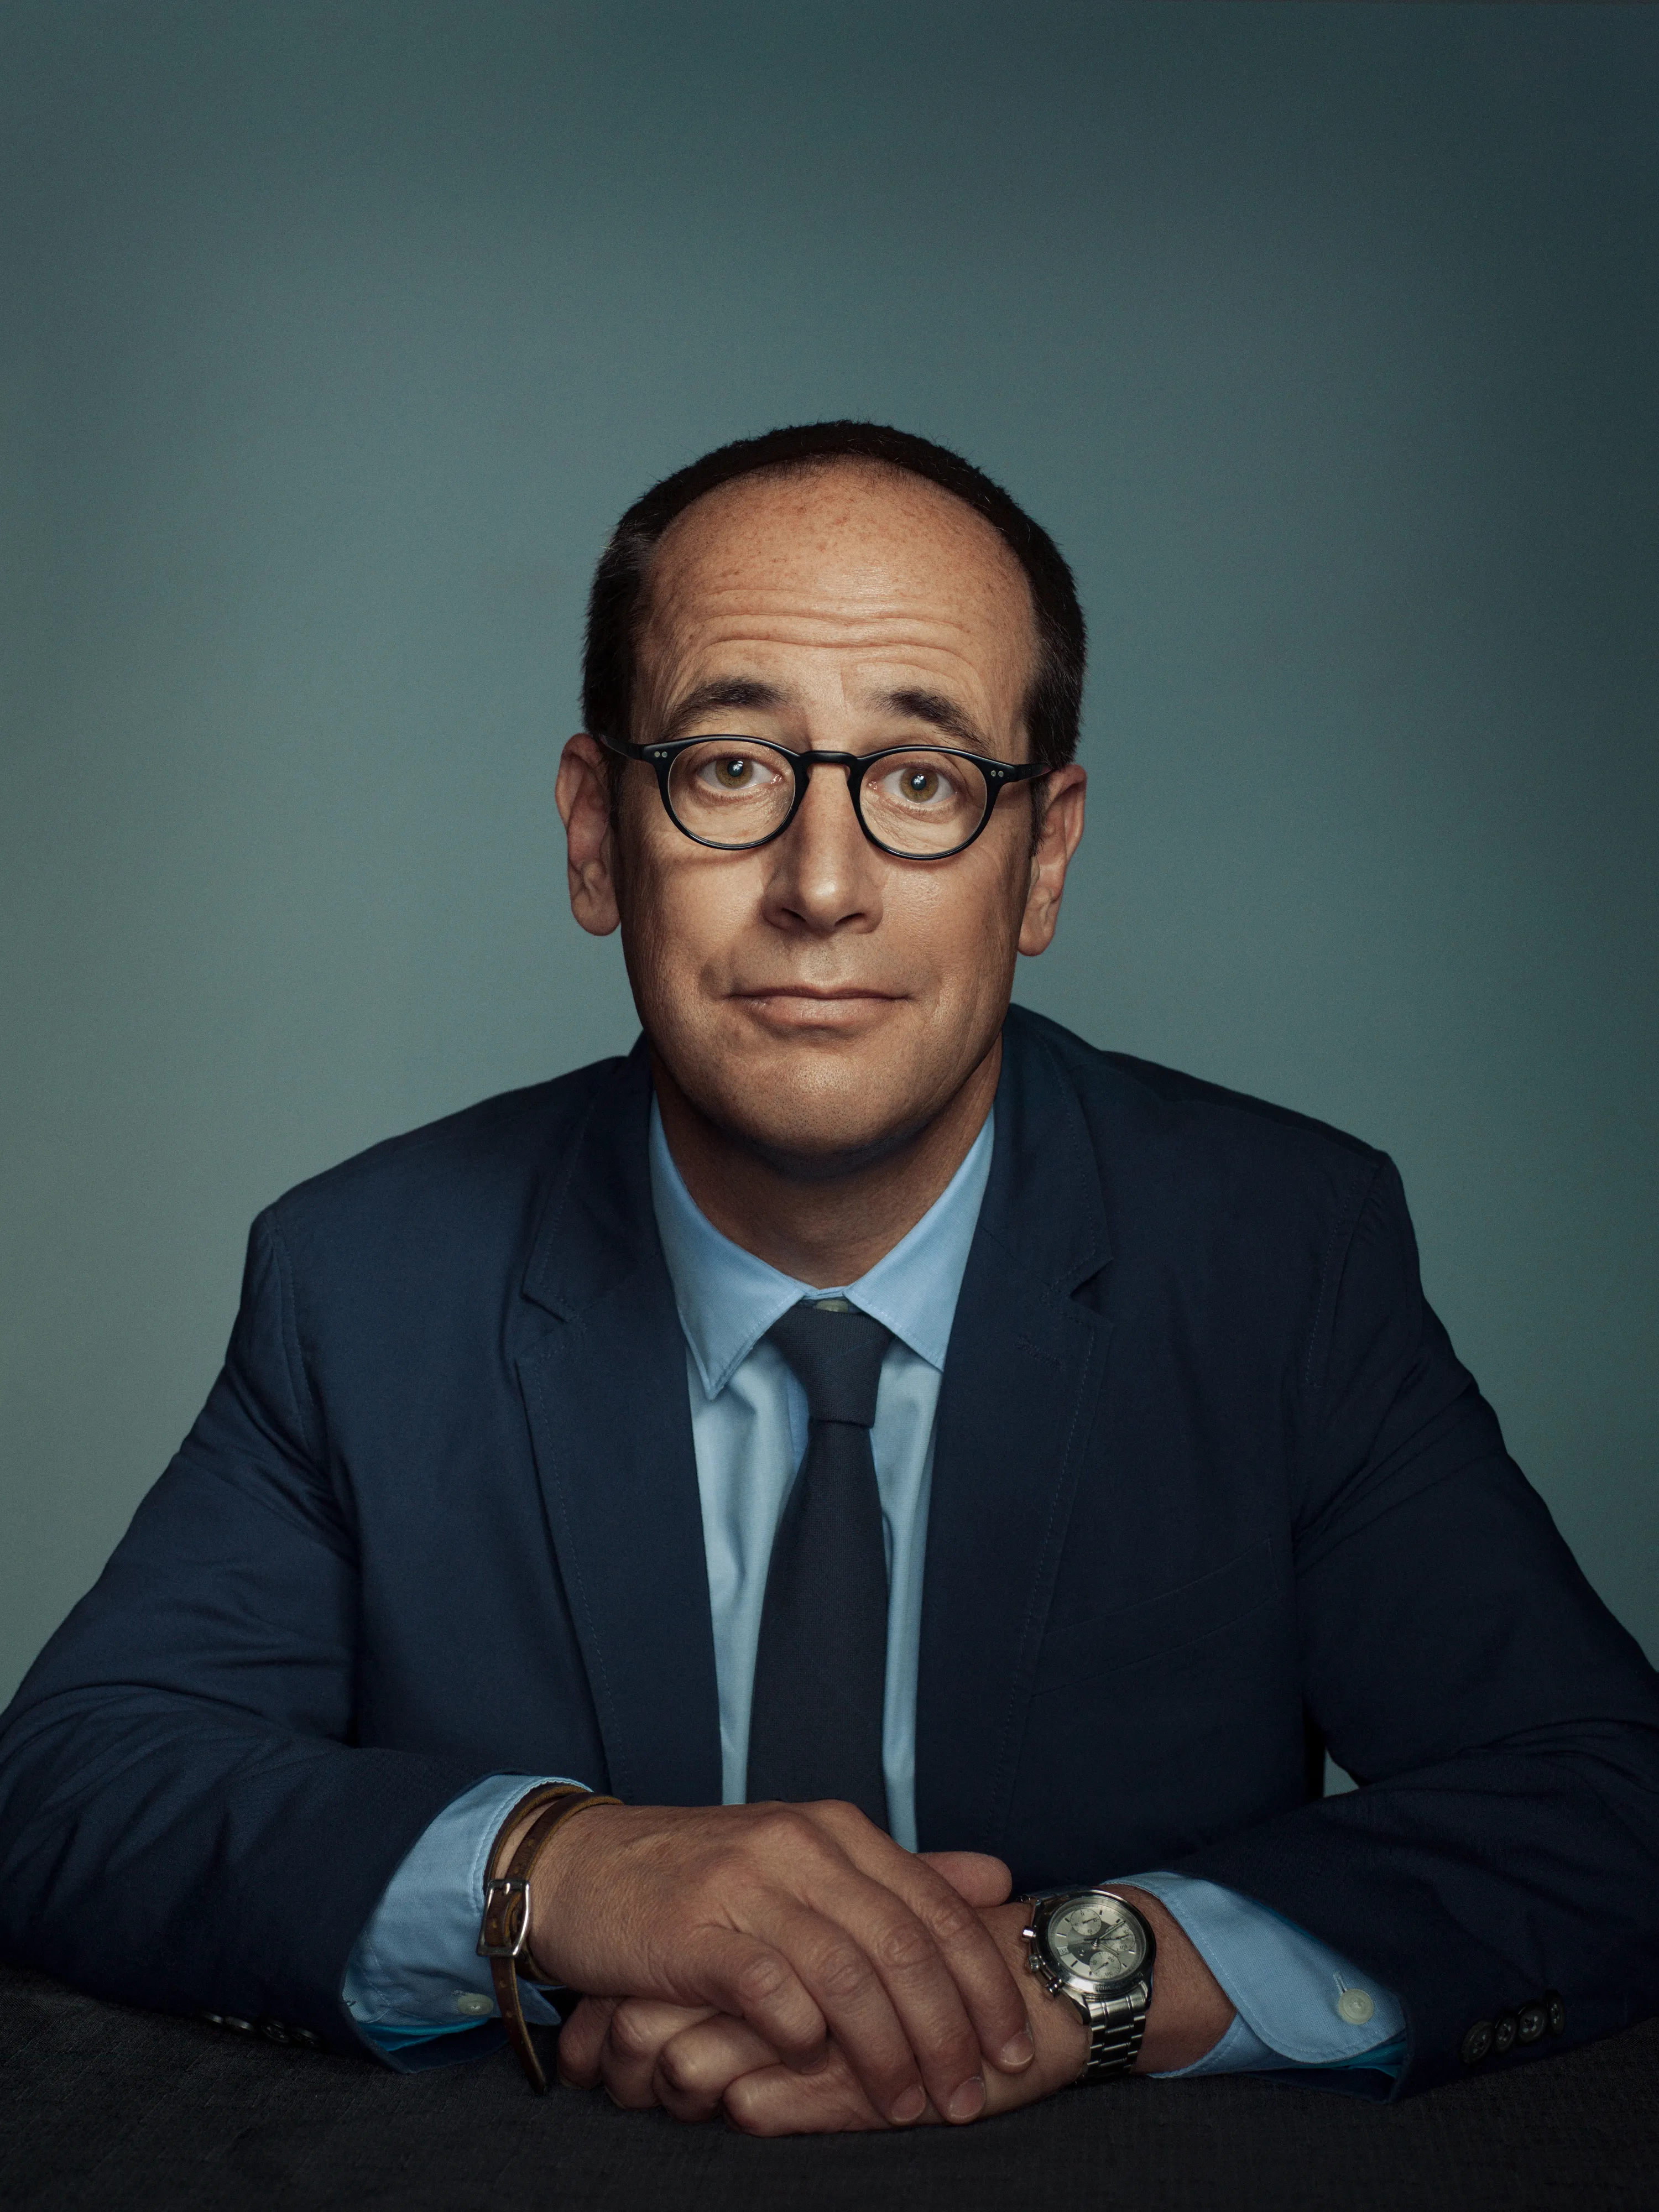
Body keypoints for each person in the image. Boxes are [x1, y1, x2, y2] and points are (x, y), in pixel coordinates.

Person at [2, 422, 1656, 2137]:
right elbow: (69, 1793)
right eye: (730, 768)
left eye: (924, 783)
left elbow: (1602, 1800)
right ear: (594, 834)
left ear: (1047, 861)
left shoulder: (1280, 1258)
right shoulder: (366, 1279)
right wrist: (557, 1868)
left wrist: (1064, 1983)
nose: (821, 886)